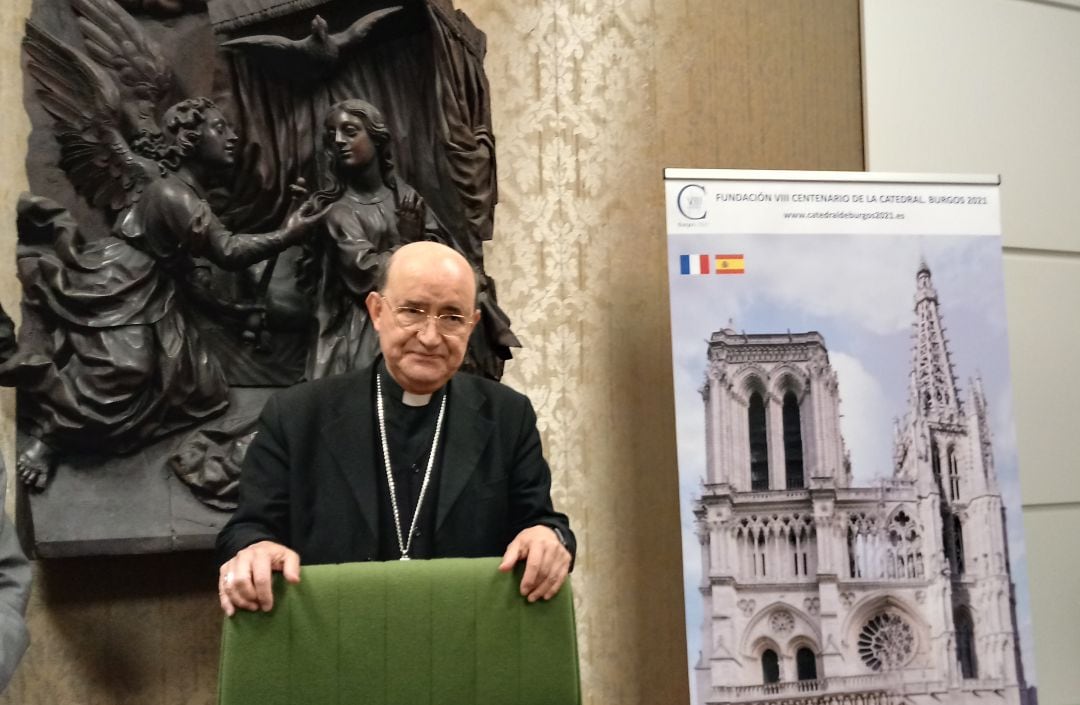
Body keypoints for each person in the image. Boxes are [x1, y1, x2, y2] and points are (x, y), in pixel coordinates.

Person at [217, 241, 574, 615]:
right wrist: (255, 548)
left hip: (464, 638)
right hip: (338, 638)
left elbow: (542, 522)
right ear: (376, 311)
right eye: (412, 311)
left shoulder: (508, 416)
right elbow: (245, 530)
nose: (430, 336)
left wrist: (547, 536)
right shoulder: (296, 415)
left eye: (452, 316)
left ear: (472, 324)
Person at [7, 97, 322, 488]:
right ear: (190, 139)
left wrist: (231, 309)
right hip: (119, 280)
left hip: (154, 287)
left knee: (200, 386)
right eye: (220, 128)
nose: (233, 136)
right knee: (125, 369)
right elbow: (227, 251)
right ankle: (50, 436)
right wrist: (288, 235)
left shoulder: (186, 191)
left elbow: (187, 273)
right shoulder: (173, 195)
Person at [302, 99, 437, 381]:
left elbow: (441, 249)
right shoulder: (338, 211)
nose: (339, 141)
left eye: (350, 131)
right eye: (332, 135)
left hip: (415, 316)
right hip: (359, 330)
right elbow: (368, 273)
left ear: (376, 139)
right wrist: (408, 244)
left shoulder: (404, 195)